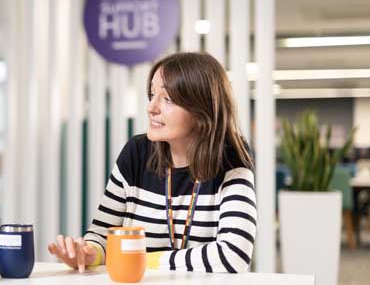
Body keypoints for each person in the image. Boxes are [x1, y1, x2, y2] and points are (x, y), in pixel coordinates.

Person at [48, 52, 256, 273]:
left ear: (201, 110)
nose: (151, 107)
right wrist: (89, 253)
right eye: (151, 94)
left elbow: (234, 254)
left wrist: (139, 259)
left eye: (167, 99)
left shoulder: (231, 158)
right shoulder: (137, 153)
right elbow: (102, 235)